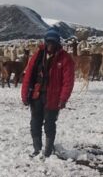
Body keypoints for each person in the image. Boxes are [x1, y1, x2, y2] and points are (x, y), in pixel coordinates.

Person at [21, 29, 75, 157]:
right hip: (37, 95)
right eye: (48, 42)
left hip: (53, 97)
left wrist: (63, 98)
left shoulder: (65, 59)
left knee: (49, 124)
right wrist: (25, 94)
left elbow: (68, 81)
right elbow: (28, 75)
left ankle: (48, 150)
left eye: (53, 42)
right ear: (45, 42)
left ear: (57, 43)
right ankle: (37, 149)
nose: (50, 45)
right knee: (35, 122)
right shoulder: (38, 56)